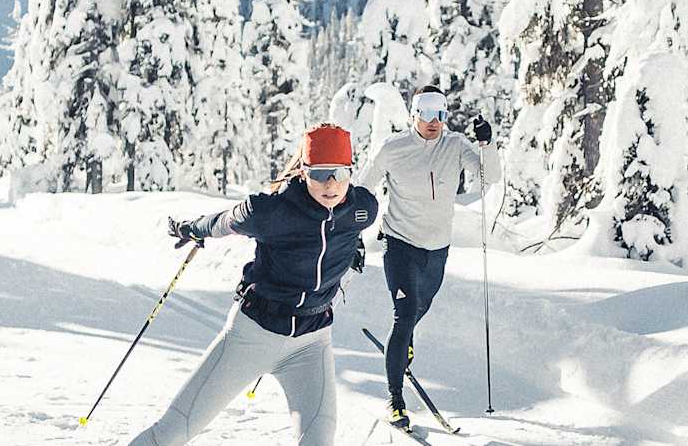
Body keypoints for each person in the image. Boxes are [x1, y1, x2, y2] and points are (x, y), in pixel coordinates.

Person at [127, 124, 378, 446]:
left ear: (350, 172)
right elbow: (223, 222)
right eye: (319, 174)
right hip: (254, 334)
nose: (330, 184)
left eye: (339, 173)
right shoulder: (270, 212)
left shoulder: (362, 209)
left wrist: (352, 250)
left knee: (319, 440)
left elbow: (345, 233)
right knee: (175, 431)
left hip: (312, 342)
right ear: (304, 172)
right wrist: (193, 230)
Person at [356, 85, 501, 430]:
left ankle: (402, 346)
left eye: (441, 113)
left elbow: (489, 178)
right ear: (414, 114)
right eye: (427, 112)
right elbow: (362, 192)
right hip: (400, 243)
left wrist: (487, 144)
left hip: (437, 248)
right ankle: (396, 399)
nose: (434, 121)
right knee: (404, 315)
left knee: (421, 307)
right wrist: (353, 238)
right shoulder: (393, 148)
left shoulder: (455, 146)